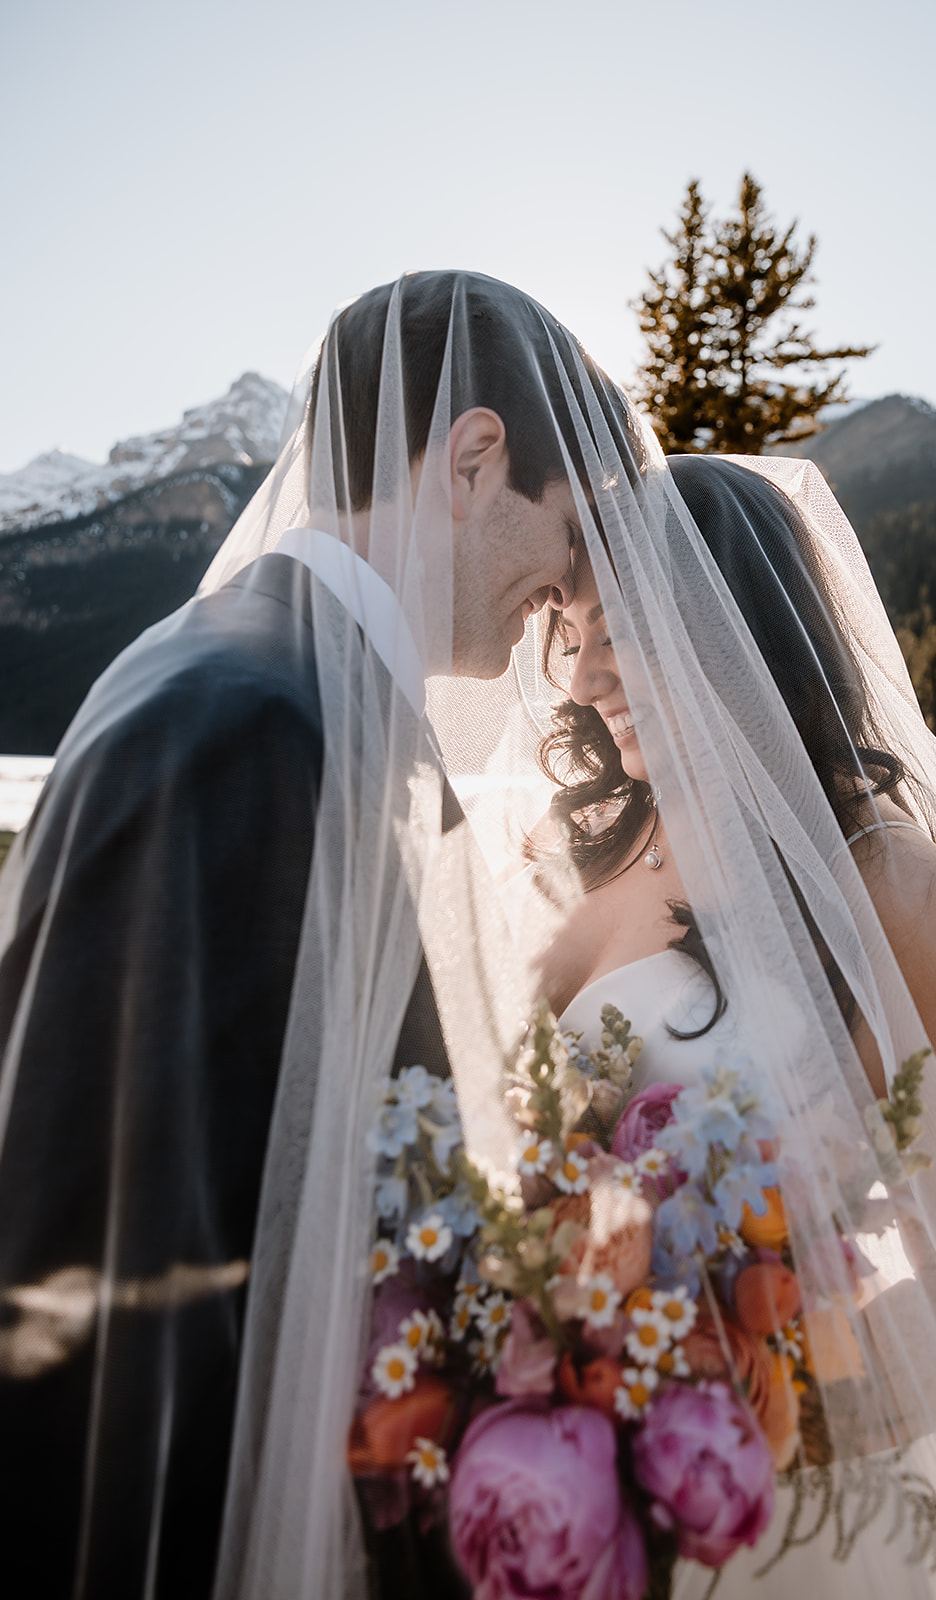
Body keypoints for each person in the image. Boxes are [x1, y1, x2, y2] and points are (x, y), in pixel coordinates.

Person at [0, 270, 649, 1600]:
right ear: (471, 460)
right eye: (565, 527)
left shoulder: (247, 672)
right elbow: (127, 1269)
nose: (564, 588)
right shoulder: (249, 729)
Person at [467, 451, 936, 1597]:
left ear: (731, 626)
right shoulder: (574, 884)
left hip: (799, 1525)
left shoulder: (895, 894)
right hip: (574, 1503)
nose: (588, 671)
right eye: (575, 629)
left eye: (624, 627)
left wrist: (718, 1435)